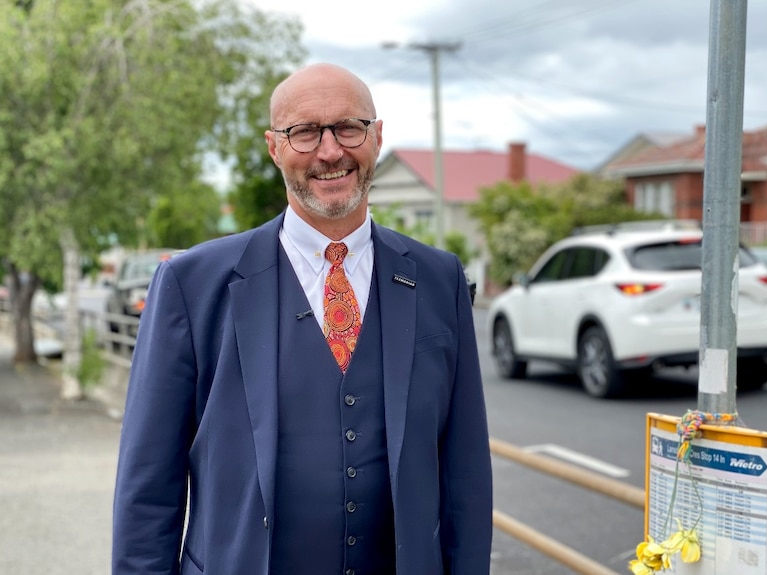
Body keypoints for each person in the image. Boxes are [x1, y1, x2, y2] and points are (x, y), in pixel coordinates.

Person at [112, 63, 493, 575]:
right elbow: (147, 487)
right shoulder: (191, 285)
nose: (331, 151)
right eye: (305, 132)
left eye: (348, 128)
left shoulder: (438, 278)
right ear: (274, 148)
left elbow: (465, 474)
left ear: (377, 137)